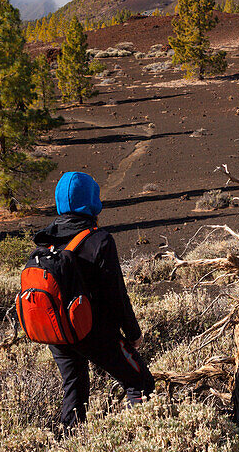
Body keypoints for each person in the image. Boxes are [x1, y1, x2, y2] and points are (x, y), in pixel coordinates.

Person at [35, 171, 154, 428]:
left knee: (75, 390)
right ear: (92, 200)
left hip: (57, 333)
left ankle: (68, 447)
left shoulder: (45, 242)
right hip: (92, 332)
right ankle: (142, 441)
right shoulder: (99, 240)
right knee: (139, 382)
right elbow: (117, 296)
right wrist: (133, 334)